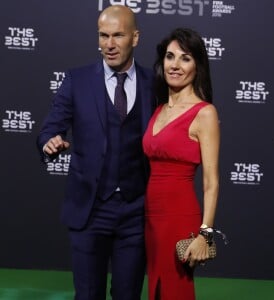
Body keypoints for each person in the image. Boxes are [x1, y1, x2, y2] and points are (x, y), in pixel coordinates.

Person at [37, 5, 156, 300]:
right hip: (90, 211)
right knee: (88, 295)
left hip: (136, 211)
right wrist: (49, 142)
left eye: (118, 35)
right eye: (104, 36)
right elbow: (49, 129)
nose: (109, 44)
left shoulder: (154, 83)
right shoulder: (76, 81)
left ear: (135, 37)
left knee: (127, 295)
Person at [142, 28, 220, 300]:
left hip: (179, 216)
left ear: (197, 66)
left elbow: (211, 182)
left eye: (185, 58)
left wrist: (205, 234)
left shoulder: (205, 113)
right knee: (155, 289)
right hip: (149, 218)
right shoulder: (158, 108)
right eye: (169, 56)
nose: (175, 65)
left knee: (174, 290)